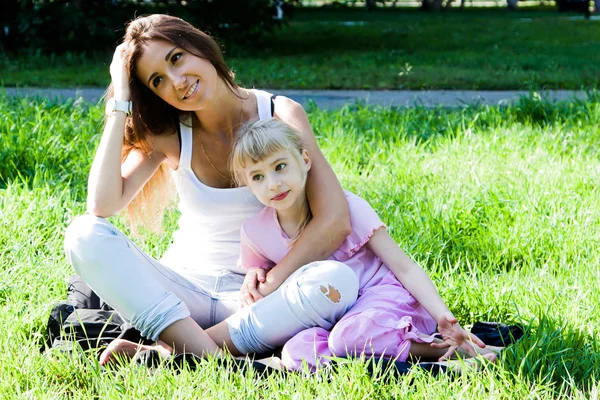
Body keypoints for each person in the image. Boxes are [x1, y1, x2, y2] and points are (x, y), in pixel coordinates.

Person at [63, 14, 360, 364]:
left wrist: (272, 283)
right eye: (158, 80)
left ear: (199, 46)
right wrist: (120, 101)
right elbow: (102, 204)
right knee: (83, 234)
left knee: (338, 282)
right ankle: (213, 358)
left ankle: (171, 352)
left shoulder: (279, 114)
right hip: (183, 296)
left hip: (260, 299)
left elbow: (335, 220)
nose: (177, 81)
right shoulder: (169, 135)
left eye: (176, 58)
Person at [229, 118, 500, 371]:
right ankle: (404, 366)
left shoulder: (346, 209)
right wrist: (253, 276)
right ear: (247, 184)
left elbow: (403, 267)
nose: (273, 184)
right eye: (258, 177)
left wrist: (442, 314)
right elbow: (257, 284)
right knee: (297, 351)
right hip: (332, 318)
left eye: (280, 167)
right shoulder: (255, 233)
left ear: (305, 159)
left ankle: (449, 352)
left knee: (350, 337)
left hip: (385, 300)